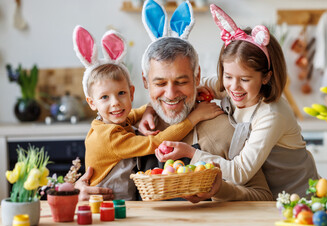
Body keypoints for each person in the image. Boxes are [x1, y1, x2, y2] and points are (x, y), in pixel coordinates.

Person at [75, 0, 273, 202]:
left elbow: (264, 196)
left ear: (197, 78)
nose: (170, 94)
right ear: (145, 81)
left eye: (181, 81)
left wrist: (221, 190)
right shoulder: (124, 124)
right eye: (160, 83)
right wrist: (76, 190)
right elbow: (91, 176)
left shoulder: (221, 129)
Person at [154, 4, 319, 199]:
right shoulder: (230, 87)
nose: (234, 87)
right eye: (228, 76)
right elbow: (199, 85)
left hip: (298, 197)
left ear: (265, 77)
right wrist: (150, 109)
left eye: (245, 79)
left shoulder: (271, 115)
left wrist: (191, 153)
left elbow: (240, 172)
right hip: (268, 199)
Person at [73, 26, 223, 200]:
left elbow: (137, 112)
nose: (115, 103)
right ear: (91, 102)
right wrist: (195, 117)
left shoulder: (116, 121)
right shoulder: (108, 136)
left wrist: (151, 108)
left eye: (121, 93)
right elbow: (156, 142)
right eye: (104, 97)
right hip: (111, 204)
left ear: (131, 93)